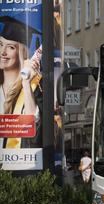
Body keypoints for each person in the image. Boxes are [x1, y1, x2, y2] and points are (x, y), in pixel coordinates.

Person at [0, 16, 42, 148]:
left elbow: (33, 122)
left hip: (20, 159)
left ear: (21, 52)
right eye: (0, 44)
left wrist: (26, 83)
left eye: (11, 47)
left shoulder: (34, 85)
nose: (3, 52)